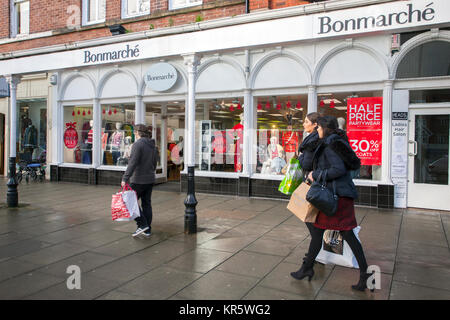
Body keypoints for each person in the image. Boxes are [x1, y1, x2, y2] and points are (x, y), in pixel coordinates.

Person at [291, 115, 372, 292]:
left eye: (318, 128)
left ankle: (365, 274)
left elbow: (338, 169)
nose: (317, 130)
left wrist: (316, 174)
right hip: (338, 194)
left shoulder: (330, 145)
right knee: (320, 230)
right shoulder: (335, 141)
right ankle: (307, 267)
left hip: (338, 197)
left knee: (347, 234)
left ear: (325, 128)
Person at [121, 124, 159, 238]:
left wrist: (125, 178)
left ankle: (142, 224)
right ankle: (147, 229)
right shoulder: (153, 145)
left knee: (129, 202)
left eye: (134, 132)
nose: (134, 134)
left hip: (138, 179)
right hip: (150, 178)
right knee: (146, 204)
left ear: (138, 132)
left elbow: (133, 163)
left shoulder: (138, 145)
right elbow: (154, 163)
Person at [297, 112, 320, 263]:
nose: (304, 124)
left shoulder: (312, 141)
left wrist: (300, 156)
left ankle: (314, 254)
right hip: (311, 181)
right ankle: (315, 252)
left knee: (308, 217)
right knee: (310, 217)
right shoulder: (311, 139)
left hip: (311, 182)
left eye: (306, 122)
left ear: (315, 125)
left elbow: (306, 163)